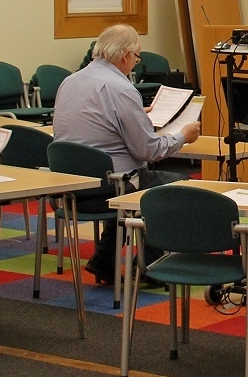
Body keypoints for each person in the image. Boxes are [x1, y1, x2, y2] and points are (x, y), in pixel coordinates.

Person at [52, 23, 202, 284]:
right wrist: (183, 136)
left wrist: (135, 115)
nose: (135, 63)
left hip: (72, 186)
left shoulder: (70, 81)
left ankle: (104, 260)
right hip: (110, 186)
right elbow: (149, 150)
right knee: (177, 185)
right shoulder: (121, 89)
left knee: (125, 184)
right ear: (125, 55)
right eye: (136, 57)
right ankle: (150, 266)